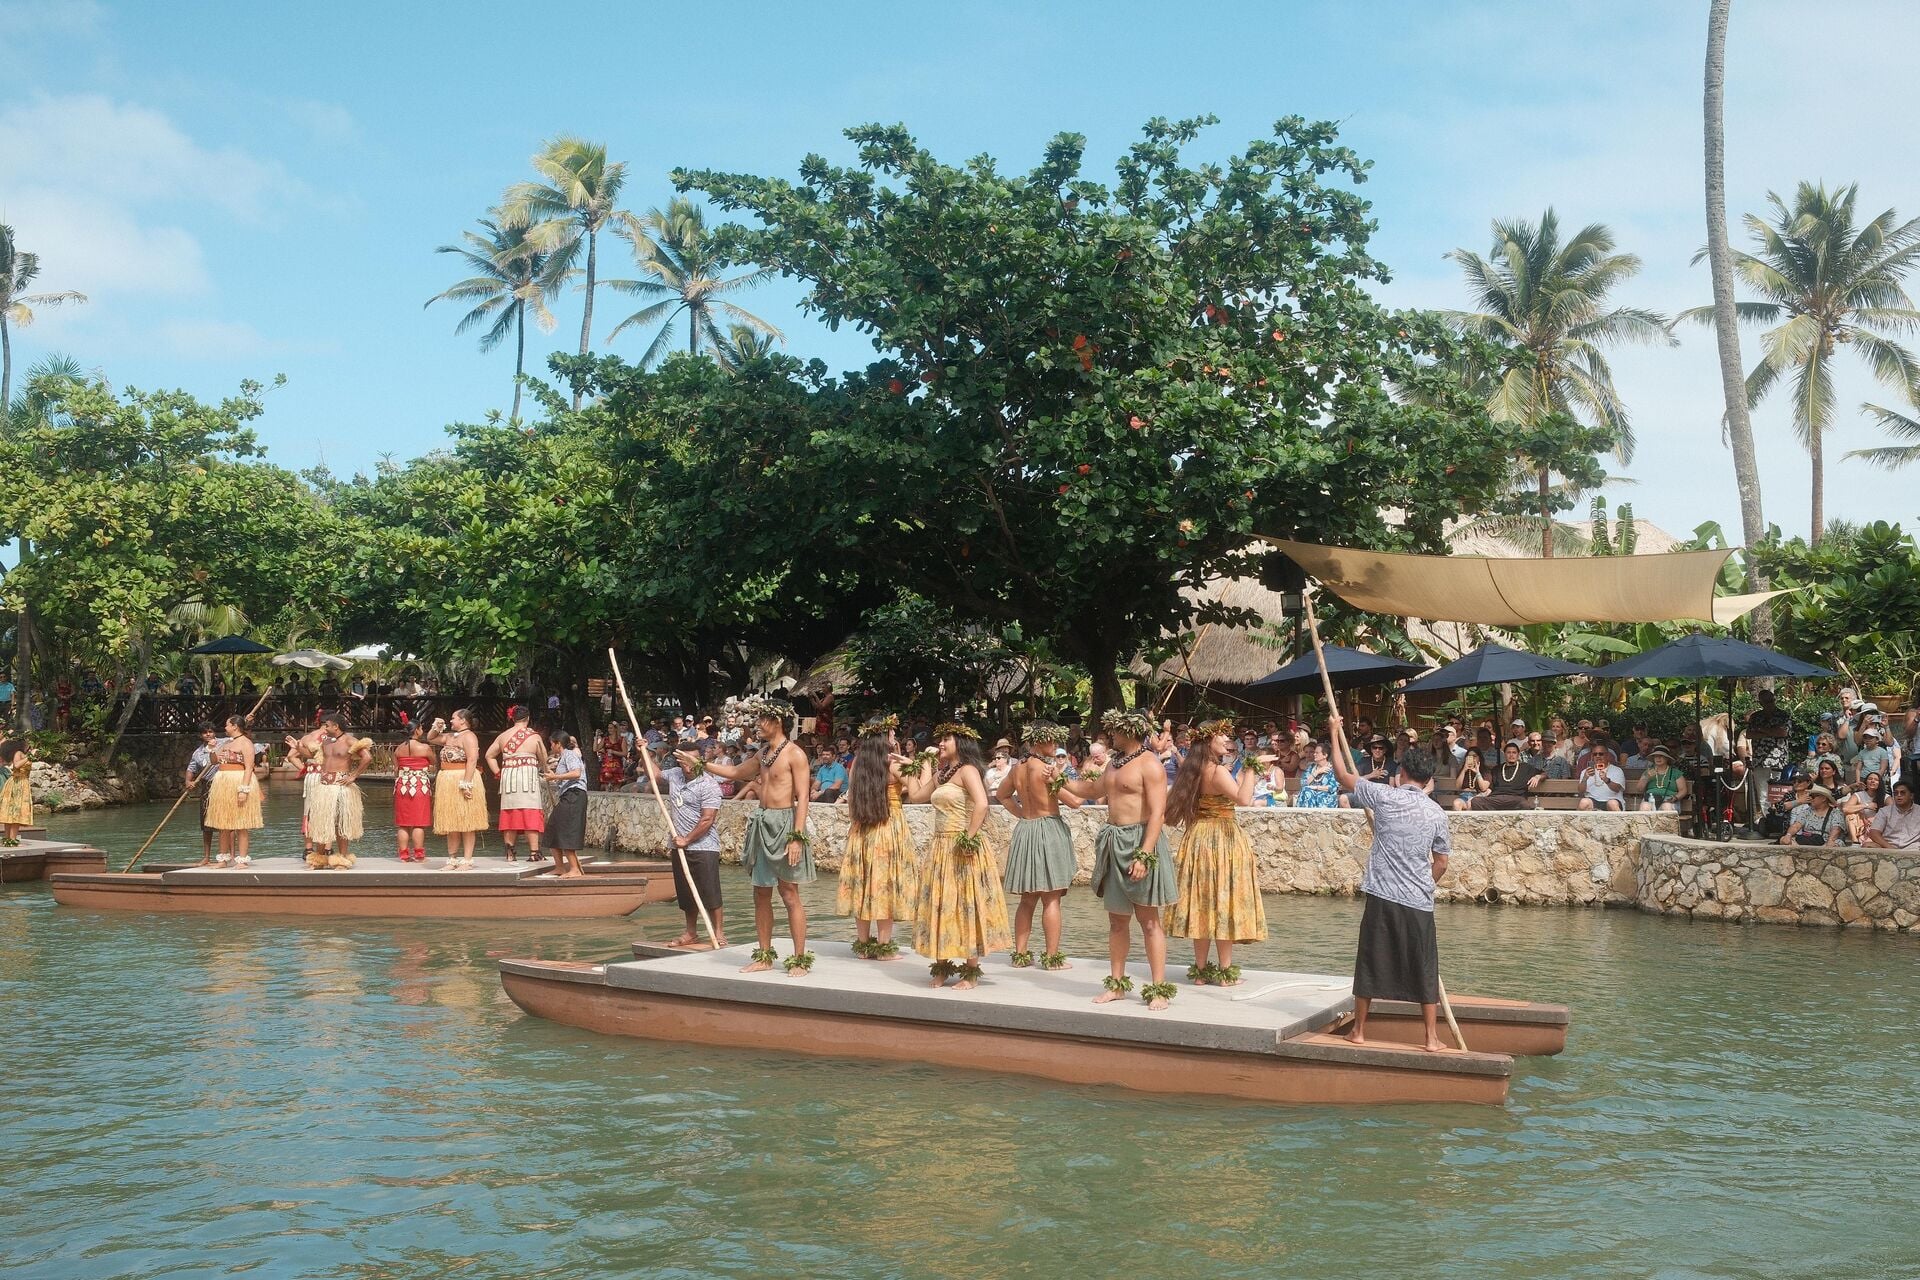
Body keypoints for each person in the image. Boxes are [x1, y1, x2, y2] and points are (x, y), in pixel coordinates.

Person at [1324, 712, 1453, 1052]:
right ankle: (1430, 1038)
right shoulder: (1437, 812)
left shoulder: (1384, 796)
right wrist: (1428, 883)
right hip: (1418, 900)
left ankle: (1360, 1031)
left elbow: (1342, 774)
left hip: (1383, 895)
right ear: (1427, 779)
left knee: (1370, 960)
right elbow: (1441, 862)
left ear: (1403, 772)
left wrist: (1335, 733)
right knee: (1424, 966)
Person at [1062, 708, 1179, 1011]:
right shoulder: (1114, 764)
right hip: (1115, 842)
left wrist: (1145, 853)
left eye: (1114, 730)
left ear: (1129, 731)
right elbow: (1089, 789)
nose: (1110, 735)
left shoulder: (1150, 764)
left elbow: (1158, 813)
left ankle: (1158, 988)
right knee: (1116, 921)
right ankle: (1116, 985)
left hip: (1141, 841)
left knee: (1149, 920)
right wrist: (1057, 781)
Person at [691, 699, 815, 975]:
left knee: (789, 893)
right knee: (760, 893)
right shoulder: (762, 754)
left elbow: (804, 796)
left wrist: (796, 837)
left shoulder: (795, 754)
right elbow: (735, 772)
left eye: (763, 719)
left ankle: (799, 959)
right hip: (762, 822)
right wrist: (701, 764)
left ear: (778, 721)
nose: (758, 724)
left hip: (785, 824)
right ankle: (764, 956)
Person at [905, 723, 1010, 991]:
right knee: (941, 904)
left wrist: (969, 838)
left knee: (965, 903)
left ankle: (970, 971)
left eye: (946, 740)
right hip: (940, 847)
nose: (940, 743)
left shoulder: (968, 770)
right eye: (940, 740)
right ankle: (941, 967)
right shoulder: (942, 773)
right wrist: (918, 765)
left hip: (964, 845)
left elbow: (983, 804)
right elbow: (917, 797)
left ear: (960, 743)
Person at [1164, 718, 1267, 987]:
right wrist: (1254, 768)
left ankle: (1200, 971)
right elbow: (1243, 799)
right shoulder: (1217, 771)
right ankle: (1225, 972)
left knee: (1202, 903)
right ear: (1209, 740)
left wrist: (1245, 769)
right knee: (1223, 901)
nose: (1227, 740)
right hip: (1222, 838)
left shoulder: (1193, 770)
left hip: (1198, 838)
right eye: (1222, 736)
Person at [996, 720, 1082, 971]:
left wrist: (1021, 814)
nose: (1055, 744)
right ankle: (1052, 958)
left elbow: (1001, 795)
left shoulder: (1017, 768)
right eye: (1051, 740)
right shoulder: (1045, 770)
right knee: (1052, 897)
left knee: (1027, 898)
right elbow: (1075, 802)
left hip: (1026, 829)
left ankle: (1020, 955)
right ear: (1037, 740)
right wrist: (1062, 779)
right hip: (1048, 828)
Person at [837, 714, 920, 959]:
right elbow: (916, 794)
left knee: (863, 884)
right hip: (888, 827)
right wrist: (915, 766)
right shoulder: (893, 764)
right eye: (893, 732)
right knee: (885, 885)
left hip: (862, 830)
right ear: (885, 736)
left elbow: (852, 800)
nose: (895, 736)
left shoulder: (858, 765)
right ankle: (884, 948)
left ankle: (863, 946)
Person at [665, 748, 728, 946]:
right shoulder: (675, 775)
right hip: (680, 846)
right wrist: (643, 750)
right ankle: (691, 932)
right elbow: (654, 773)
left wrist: (687, 839)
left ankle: (718, 932)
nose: (687, 763)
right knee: (686, 892)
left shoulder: (708, 784)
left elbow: (707, 819)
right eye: (683, 760)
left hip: (704, 846)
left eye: (690, 759)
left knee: (710, 891)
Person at [306, 715, 371, 869]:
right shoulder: (326, 741)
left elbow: (367, 757)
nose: (325, 728)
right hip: (324, 787)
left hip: (341, 786)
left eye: (327, 725)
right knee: (322, 822)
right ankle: (319, 859)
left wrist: (354, 775)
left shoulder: (350, 741)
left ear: (336, 726)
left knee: (341, 823)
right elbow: (313, 756)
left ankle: (342, 859)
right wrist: (297, 746)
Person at [486, 705, 549, 862]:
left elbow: (489, 755)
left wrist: (498, 772)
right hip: (528, 777)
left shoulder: (503, 736)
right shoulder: (534, 737)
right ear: (527, 719)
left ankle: (509, 852)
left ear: (512, 718)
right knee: (530, 812)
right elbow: (544, 759)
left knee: (510, 812)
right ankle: (534, 852)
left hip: (509, 777)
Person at [429, 710, 487, 869]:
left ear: (462, 720)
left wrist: (466, 783)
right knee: (451, 822)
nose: (451, 720)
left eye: (453, 718)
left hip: (463, 778)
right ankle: (452, 859)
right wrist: (436, 726)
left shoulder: (469, 736)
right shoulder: (449, 736)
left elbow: (472, 759)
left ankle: (467, 860)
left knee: (467, 821)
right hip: (447, 780)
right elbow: (431, 738)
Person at [204, 715, 263, 867]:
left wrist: (244, 789)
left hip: (238, 781)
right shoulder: (226, 744)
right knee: (223, 823)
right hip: (223, 782)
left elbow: (249, 767)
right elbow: (214, 761)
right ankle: (223, 859)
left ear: (235, 726)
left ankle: (242, 860)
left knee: (241, 824)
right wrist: (211, 748)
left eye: (227, 725)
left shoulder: (246, 743)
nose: (225, 728)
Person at [545, 731, 589, 878]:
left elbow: (576, 773)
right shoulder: (563, 757)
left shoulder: (570, 754)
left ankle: (574, 869)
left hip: (574, 795)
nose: (551, 746)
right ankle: (559, 867)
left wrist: (555, 776)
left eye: (552, 743)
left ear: (558, 744)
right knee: (553, 827)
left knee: (567, 829)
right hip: (567, 795)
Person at [392, 723, 435, 862]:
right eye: (421, 728)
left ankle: (404, 855)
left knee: (403, 823)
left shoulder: (398, 749)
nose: (422, 730)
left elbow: (396, 770)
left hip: (402, 785)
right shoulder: (425, 748)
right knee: (418, 822)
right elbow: (433, 762)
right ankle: (419, 854)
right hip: (419, 785)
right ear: (416, 730)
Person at [284, 724, 327, 860]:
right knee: (327, 812)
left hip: (311, 776)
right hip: (326, 776)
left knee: (309, 811)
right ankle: (327, 848)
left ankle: (308, 849)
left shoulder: (308, 737)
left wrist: (305, 769)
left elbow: (291, 756)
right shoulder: (330, 737)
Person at [184, 722, 222, 863]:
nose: (208, 734)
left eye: (210, 731)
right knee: (206, 823)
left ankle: (225, 856)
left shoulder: (224, 743)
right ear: (201, 735)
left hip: (224, 784)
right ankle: (206, 857)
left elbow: (240, 735)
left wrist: (247, 721)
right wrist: (189, 781)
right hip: (208, 786)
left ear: (214, 733)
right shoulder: (198, 753)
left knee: (226, 823)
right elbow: (191, 769)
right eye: (205, 732)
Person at [1471, 740, 1542, 811]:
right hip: (1496, 799)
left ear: (1518, 754)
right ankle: (1494, 820)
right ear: (1504, 754)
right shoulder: (1496, 769)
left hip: (1515, 798)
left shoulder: (1526, 768)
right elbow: (1489, 789)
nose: (1511, 755)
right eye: (1508, 752)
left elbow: (1545, 774)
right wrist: (1480, 795)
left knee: (1524, 804)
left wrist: (1537, 777)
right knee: (1476, 801)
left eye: (1514, 753)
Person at [1863, 780, 1920, 850]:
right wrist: (1891, 849)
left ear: (1911, 796)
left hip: (1913, 848)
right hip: (1888, 847)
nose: (1898, 795)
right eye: (1896, 793)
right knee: (1867, 846)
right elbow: (1874, 833)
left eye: (1902, 793)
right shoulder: (1884, 811)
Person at [1295, 741, 1345, 808]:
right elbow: (1303, 783)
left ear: (1325, 755)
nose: (1314, 754)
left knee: (1307, 792)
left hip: (1325, 798)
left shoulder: (1332, 769)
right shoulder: (1311, 767)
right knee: (1306, 791)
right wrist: (1317, 772)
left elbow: (1332, 788)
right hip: (1310, 795)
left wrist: (1315, 788)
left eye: (1317, 753)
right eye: (1314, 752)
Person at [0, 738, 31, 846]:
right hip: (18, 784)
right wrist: (30, 757)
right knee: (16, 812)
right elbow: (16, 765)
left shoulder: (19, 753)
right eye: (28, 742)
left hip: (19, 783)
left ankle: (8, 840)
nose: (29, 744)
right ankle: (12, 840)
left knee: (11, 813)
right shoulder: (19, 753)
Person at [1578, 743, 1627, 811]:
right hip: (1593, 801)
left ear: (1607, 755)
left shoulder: (1617, 770)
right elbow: (1581, 791)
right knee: (1584, 802)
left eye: (1601, 754)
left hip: (1611, 800)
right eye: (1595, 754)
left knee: (1612, 804)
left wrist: (1606, 780)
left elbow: (1617, 789)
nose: (1598, 756)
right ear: (1592, 756)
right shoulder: (1586, 772)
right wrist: (1585, 778)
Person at [1639, 745, 1686, 813]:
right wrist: (1646, 778)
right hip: (1650, 798)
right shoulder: (1648, 772)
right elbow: (1639, 789)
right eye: (1656, 756)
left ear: (1667, 758)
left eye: (1661, 756)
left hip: (1669, 800)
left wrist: (1675, 798)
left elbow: (1683, 790)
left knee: (1666, 806)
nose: (1658, 758)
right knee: (1645, 807)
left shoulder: (1675, 773)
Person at [1450, 747, 1490, 812]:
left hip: (1477, 797)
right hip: (1464, 796)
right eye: (1469, 756)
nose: (1472, 758)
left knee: (1471, 804)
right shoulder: (1463, 770)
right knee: (1456, 803)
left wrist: (1477, 772)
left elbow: (1483, 788)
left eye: (1474, 756)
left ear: (1479, 758)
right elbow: (1457, 786)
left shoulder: (1485, 771)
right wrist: (1464, 770)